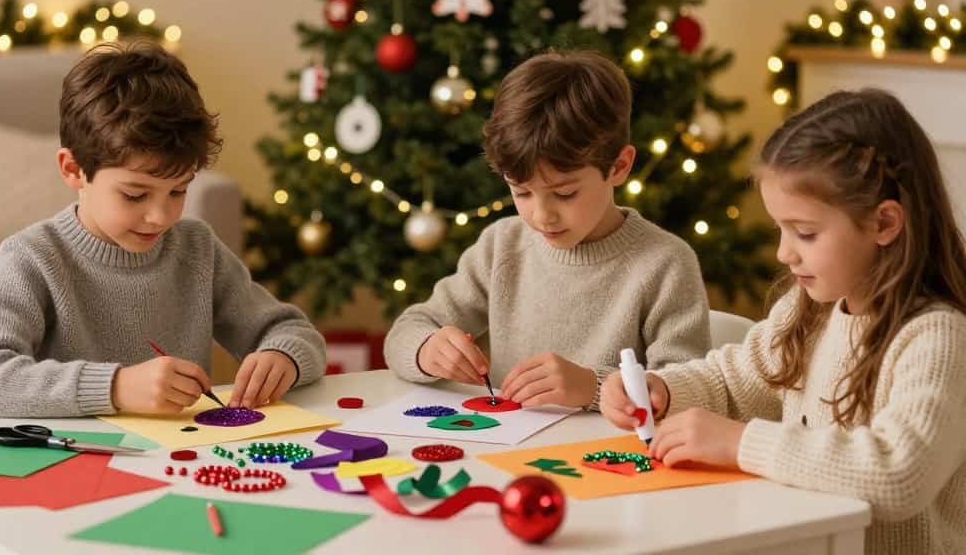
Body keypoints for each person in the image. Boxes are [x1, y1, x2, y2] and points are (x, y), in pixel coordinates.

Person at [600, 88, 966, 554]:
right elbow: (737, 380)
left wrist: (740, 444)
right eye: (781, 229)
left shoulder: (936, 337)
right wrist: (663, 390)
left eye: (806, 233)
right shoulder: (810, 306)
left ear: (884, 224)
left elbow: (898, 473)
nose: (784, 253)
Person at [0, 40, 326, 417]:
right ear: (73, 169)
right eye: (134, 195)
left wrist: (283, 356)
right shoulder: (32, 258)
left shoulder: (197, 249)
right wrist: (115, 388)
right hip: (73, 466)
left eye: (178, 191)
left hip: (181, 464)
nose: (161, 217)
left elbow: (295, 332)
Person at [385, 49, 710, 410]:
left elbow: (686, 390)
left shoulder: (666, 264)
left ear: (619, 166)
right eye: (521, 192)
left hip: (610, 460)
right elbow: (406, 331)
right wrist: (427, 349)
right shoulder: (501, 245)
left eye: (565, 193)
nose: (542, 216)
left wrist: (594, 387)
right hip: (505, 455)